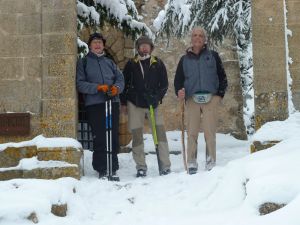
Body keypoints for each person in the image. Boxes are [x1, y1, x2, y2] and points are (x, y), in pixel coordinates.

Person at [174, 27, 228, 174]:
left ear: (205, 39)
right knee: (192, 132)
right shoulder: (184, 60)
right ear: (191, 39)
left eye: (200, 35)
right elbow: (178, 80)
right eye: (195, 35)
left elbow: (222, 77)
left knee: (210, 132)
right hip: (192, 99)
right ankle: (191, 162)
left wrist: (219, 95)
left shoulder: (213, 56)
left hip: (211, 98)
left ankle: (211, 161)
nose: (197, 38)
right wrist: (179, 91)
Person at [120, 36, 171, 177]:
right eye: (141, 45)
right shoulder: (131, 64)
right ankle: (141, 166)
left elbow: (164, 84)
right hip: (135, 104)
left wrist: (157, 97)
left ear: (151, 47)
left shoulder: (158, 63)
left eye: (146, 45)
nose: (144, 47)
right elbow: (125, 84)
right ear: (137, 48)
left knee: (160, 134)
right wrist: (124, 102)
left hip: (153, 104)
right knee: (137, 136)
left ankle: (165, 165)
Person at [76, 33, 124, 178]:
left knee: (113, 135)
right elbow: (80, 84)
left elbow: (120, 79)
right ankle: (102, 168)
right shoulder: (83, 62)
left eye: (100, 42)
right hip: (95, 104)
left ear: (103, 45)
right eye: (94, 42)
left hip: (112, 103)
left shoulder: (110, 62)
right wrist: (98, 88)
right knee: (100, 137)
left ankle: (113, 166)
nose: (97, 45)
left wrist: (116, 88)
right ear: (90, 45)